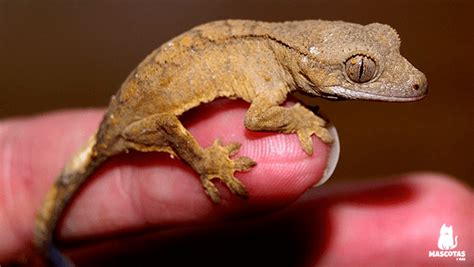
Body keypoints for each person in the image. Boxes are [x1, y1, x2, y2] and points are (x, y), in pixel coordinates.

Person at [0, 101, 472, 266]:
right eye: (360, 71)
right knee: (172, 130)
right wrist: (206, 163)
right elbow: (259, 115)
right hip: (140, 122)